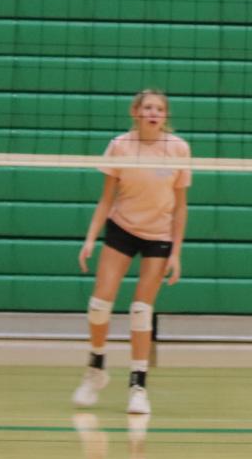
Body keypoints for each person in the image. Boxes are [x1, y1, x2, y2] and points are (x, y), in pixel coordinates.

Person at [75, 90, 189, 416]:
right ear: (136, 112)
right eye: (148, 107)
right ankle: (96, 367)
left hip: (159, 235)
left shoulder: (178, 148)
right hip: (122, 228)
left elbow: (181, 207)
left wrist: (177, 252)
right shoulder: (120, 145)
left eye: (160, 108)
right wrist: (89, 239)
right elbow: (106, 199)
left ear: (165, 115)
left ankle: (138, 385)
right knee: (100, 303)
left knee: (141, 309)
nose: (154, 113)